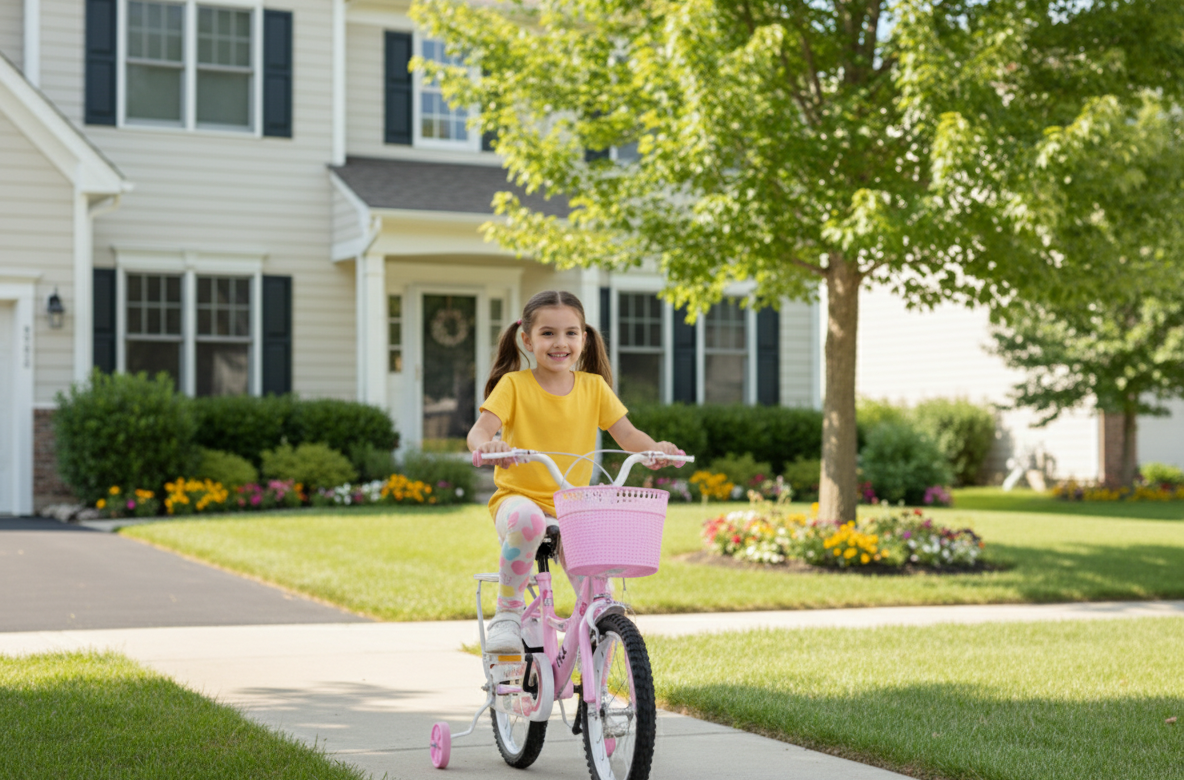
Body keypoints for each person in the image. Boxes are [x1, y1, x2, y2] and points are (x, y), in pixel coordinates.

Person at [467, 290, 683, 653]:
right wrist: (488, 447)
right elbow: (480, 431)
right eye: (548, 333)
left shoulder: (593, 387)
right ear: (527, 339)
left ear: (583, 339)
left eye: (570, 333)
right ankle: (508, 613)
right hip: (518, 500)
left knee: (600, 581)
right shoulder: (514, 386)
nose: (560, 343)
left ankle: (596, 646)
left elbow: (628, 434)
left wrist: (654, 449)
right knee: (529, 522)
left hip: (572, 504)